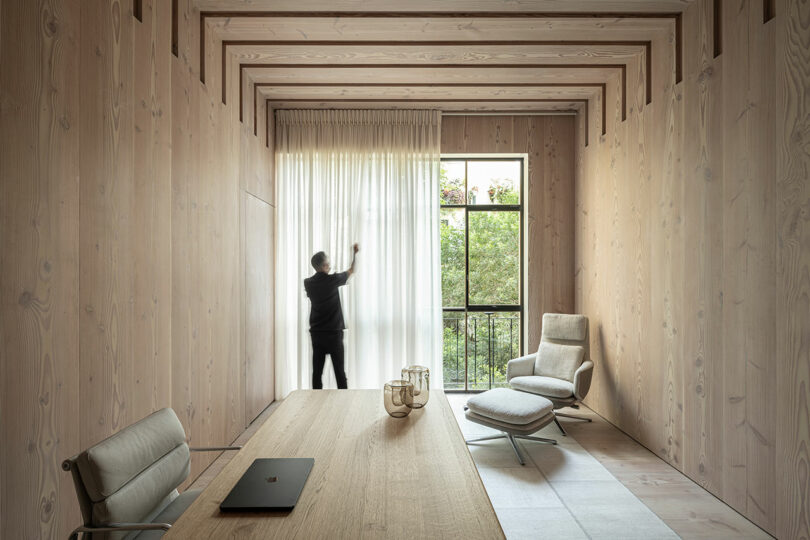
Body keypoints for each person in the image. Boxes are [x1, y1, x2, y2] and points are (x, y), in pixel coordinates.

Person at [304, 243, 359, 389]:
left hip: (317, 334)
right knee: (340, 373)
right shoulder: (333, 280)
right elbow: (352, 270)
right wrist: (355, 253)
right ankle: (344, 405)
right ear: (324, 265)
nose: (330, 265)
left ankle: (316, 405)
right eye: (328, 262)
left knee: (317, 373)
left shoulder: (308, 283)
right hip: (334, 334)